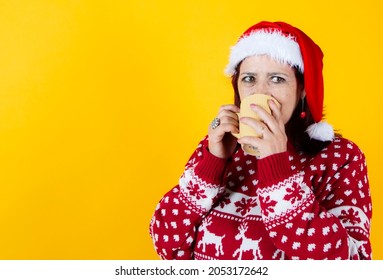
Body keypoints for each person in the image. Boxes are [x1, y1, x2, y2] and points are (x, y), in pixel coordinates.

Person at [149, 21, 372, 260]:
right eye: (249, 78)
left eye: (277, 79)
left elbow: (351, 263)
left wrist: (278, 170)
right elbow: (166, 242)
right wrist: (212, 163)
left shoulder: (341, 158)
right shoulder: (220, 147)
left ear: (303, 88)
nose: (260, 92)